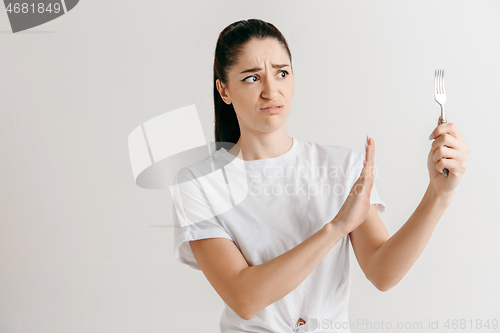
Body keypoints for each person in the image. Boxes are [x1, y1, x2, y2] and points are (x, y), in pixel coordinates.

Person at [172, 19, 470, 333]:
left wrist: (438, 195)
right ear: (224, 90)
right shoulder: (198, 183)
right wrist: (337, 227)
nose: (271, 91)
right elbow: (244, 298)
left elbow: (383, 273)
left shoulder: (342, 165)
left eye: (282, 73)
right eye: (251, 78)